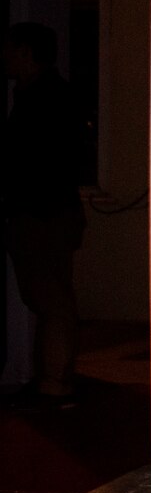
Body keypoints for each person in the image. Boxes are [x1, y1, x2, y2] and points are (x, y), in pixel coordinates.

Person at [4, 22, 86, 407]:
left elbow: (34, 163)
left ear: (26, 53)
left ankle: (54, 384)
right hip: (49, 212)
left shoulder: (41, 100)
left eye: (12, 50)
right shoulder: (45, 96)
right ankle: (51, 380)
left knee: (51, 300)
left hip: (41, 214)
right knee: (51, 298)